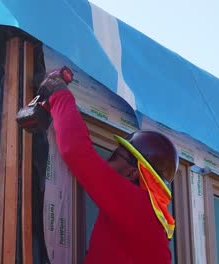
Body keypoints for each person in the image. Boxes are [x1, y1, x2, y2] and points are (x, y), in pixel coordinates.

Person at [39, 69, 179, 264]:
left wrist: (58, 92)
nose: (105, 162)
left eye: (114, 156)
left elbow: (76, 151)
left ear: (133, 172)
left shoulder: (139, 207)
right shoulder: (147, 218)